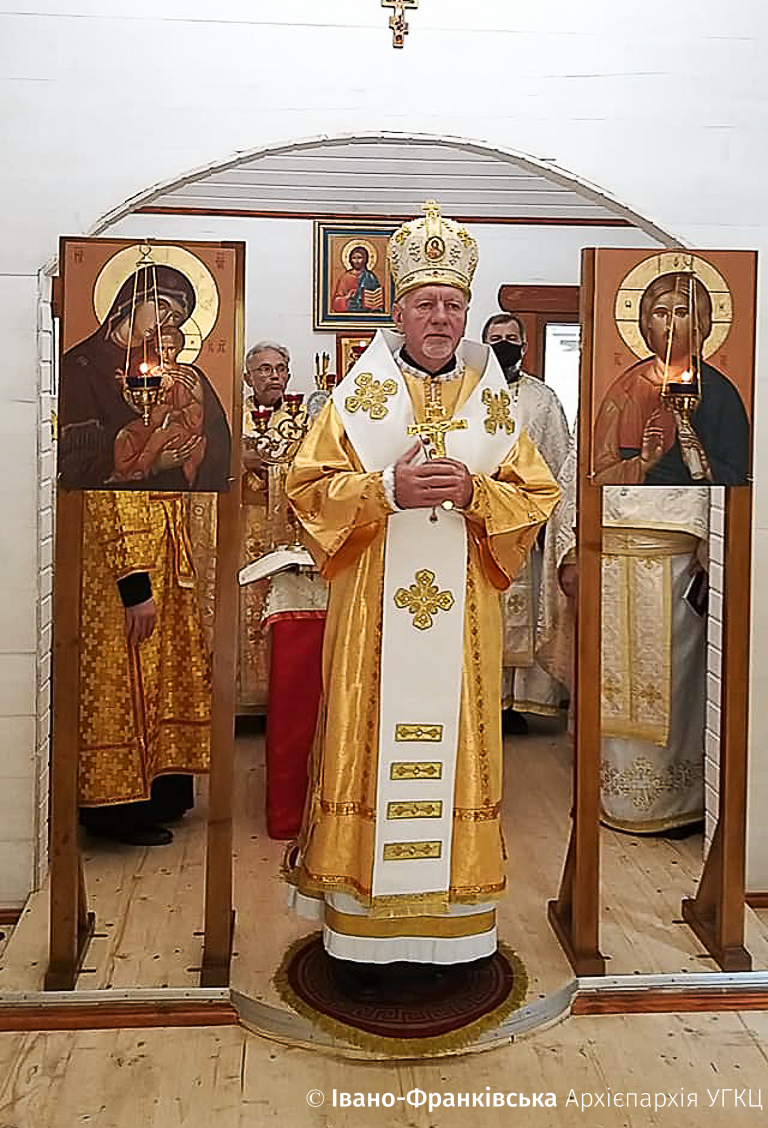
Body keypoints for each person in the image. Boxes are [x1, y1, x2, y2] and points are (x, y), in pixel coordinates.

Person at [285, 201, 560, 996]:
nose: (440, 317)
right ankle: (360, 935)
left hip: (463, 618)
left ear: (466, 314)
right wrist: (382, 490)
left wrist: (475, 492)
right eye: (425, 303)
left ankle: (456, 936)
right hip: (373, 614)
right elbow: (306, 492)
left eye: (453, 304)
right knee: (366, 740)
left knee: (460, 746)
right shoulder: (356, 398)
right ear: (397, 310)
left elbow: (536, 495)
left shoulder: (494, 402)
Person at [538, 439, 708, 834]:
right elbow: (574, 479)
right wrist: (571, 555)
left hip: (676, 567)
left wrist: (711, 551)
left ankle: (679, 802)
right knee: (606, 680)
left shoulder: (703, 412)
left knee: (679, 682)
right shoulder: (601, 409)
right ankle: (612, 798)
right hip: (606, 564)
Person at [78, 491, 211, 846]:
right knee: (124, 673)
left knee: (163, 674)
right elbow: (111, 500)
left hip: (160, 546)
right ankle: (118, 809)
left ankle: (161, 792)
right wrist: (133, 586)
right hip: (127, 564)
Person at [240, 339, 326, 837]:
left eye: (280, 369)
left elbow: (313, 478)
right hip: (246, 537)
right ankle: (246, 709)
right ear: (247, 377)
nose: (273, 376)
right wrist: (242, 463)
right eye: (264, 370)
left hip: (286, 540)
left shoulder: (307, 423)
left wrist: (277, 468)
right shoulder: (234, 422)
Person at [59, 263, 231, 491]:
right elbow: (76, 464)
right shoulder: (80, 366)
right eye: (161, 306)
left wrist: (198, 397)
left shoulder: (177, 373)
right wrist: (154, 463)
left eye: (176, 317)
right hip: (107, 500)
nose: (165, 321)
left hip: (174, 494)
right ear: (134, 299)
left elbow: (216, 444)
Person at [482, 313, 571, 732]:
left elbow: (558, 461)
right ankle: (483, 699)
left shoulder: (543, 399)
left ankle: (516, 702)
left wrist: (547, 522)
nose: (503, 344)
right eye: (495, 338)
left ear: (524, 345)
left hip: (527, 525)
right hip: (480, 522)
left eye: (510, 338)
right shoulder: (467, 394)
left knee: (525, 608)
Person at [593, 271, 749, 486]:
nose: (670, 325)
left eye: (681, 313)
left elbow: (740, 476)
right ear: (647, 322)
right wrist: (643, 463)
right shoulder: (625, 389)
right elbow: (599, 476)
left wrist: (706, 467)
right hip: (634, 505)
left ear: (698, 323)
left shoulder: (719, 392)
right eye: (660, 313)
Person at [111, 326, 207, 486]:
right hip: (154, 422)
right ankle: (121, 472)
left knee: (159, 435)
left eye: (171, 348)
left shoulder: (188, 375)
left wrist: (176, 415)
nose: (166, 353)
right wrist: (127, 388)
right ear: (156, 349)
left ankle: (138, 470)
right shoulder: (152, 374)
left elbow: (199, 409)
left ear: (179, 348)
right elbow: (143, 407)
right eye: (162, 348)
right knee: (125, 435)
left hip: (179, 427)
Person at [331, 245, 384, 313]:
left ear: (365, 259)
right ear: (350, 260)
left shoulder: (370, 276)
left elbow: (377, 297)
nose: (356, 261)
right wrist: (348, 296)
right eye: (354, 258)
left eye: (359, 258)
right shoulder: (345, 277)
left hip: (367, 313)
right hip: (350, 312)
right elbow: (336, 302)